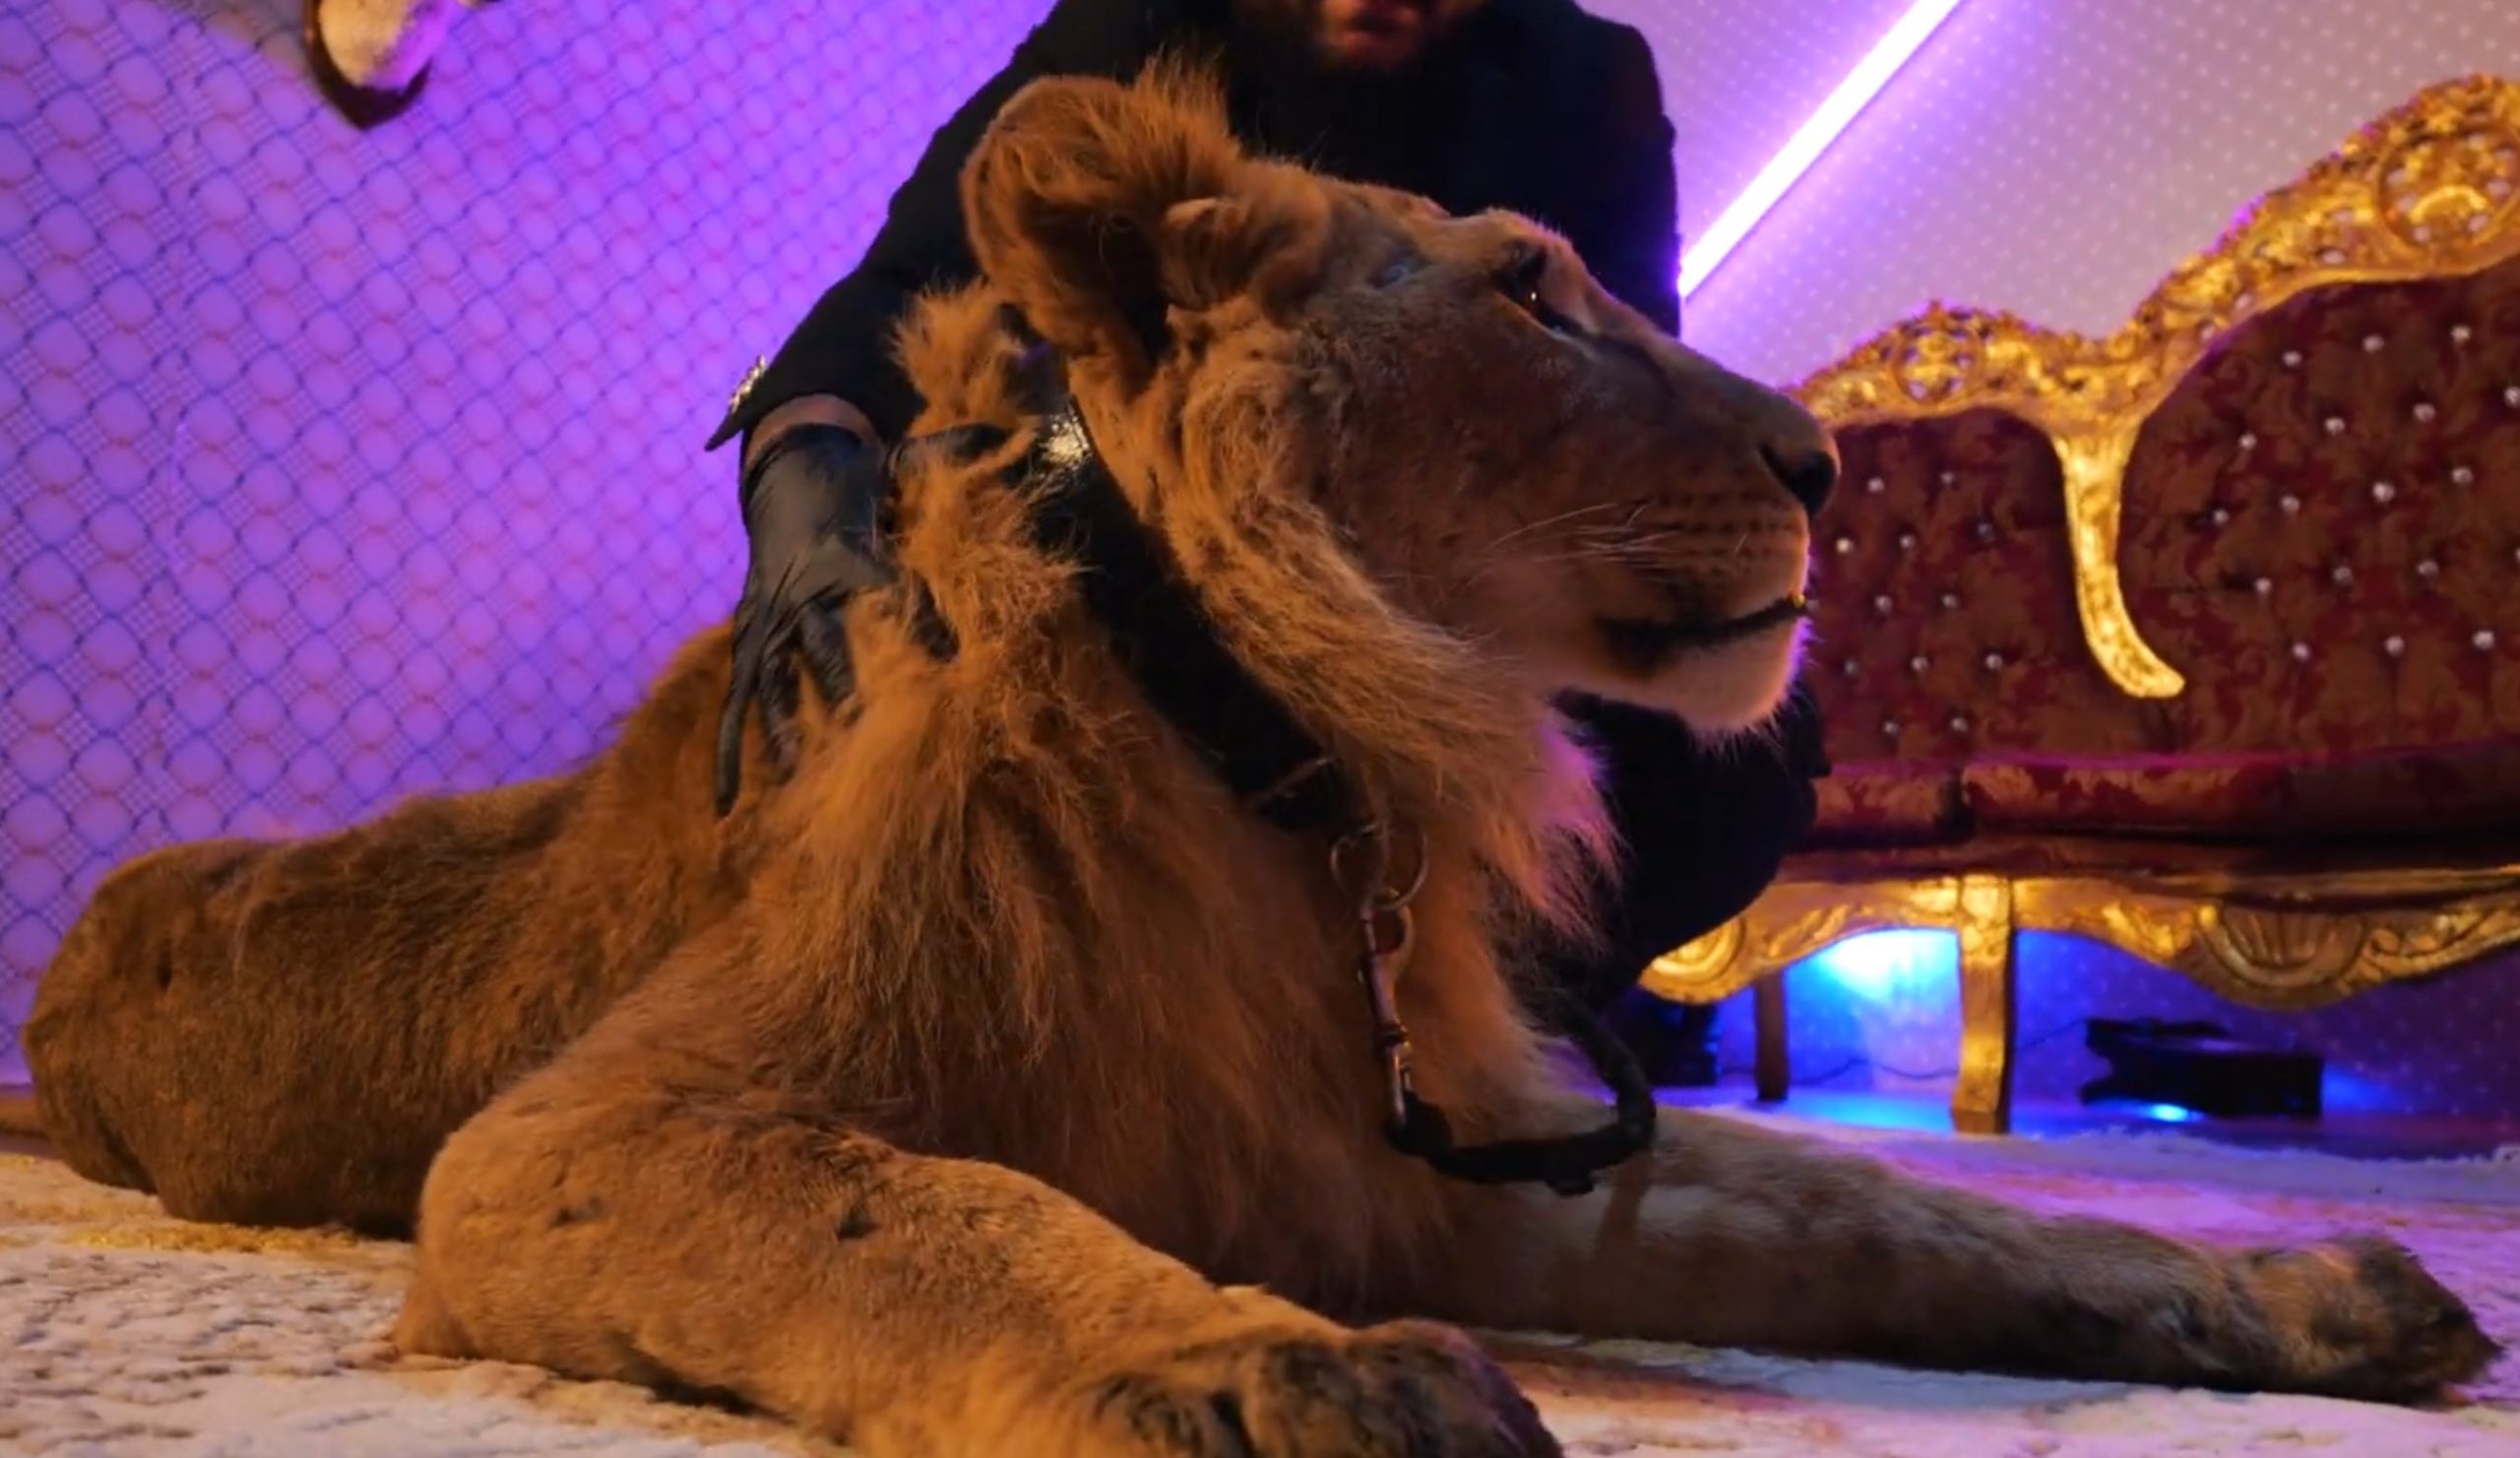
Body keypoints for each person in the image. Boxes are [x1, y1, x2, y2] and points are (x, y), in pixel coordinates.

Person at [702, 0, 1829, 1078]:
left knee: (1733, 777)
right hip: (1176, 580)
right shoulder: (1154, 18)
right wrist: (803, 460)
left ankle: (1424, 1054)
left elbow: (1628, 384)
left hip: (1460, 585)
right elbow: (901, 281)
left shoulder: (1581, 72)